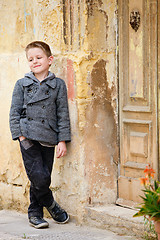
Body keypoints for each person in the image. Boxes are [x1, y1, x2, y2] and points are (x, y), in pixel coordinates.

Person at [9, 41, 71, 229]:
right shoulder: (22, 84)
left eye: (39, 57)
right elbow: (14, 112)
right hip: (27, 136)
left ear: (49, 60)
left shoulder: (58, 84)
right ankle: (51, 205)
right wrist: (20, 136)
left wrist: (62, 140)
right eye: (31, 59)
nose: (35, 61)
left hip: (49, 137)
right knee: (40, 177)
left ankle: (35, 214)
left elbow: (62, 113)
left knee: (43, 177)